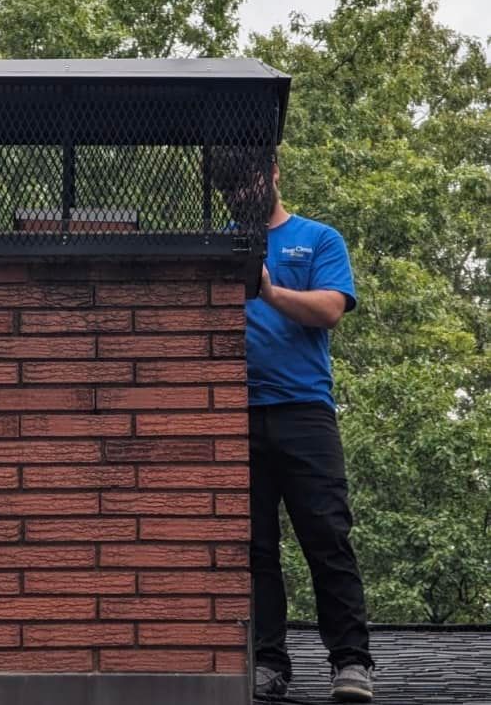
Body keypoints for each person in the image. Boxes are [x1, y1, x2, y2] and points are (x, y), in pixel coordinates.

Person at [214, 148, 375, 703]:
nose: (239, 193)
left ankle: (351, 662)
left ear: (273, 173)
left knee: (327, 537)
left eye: (247, 179)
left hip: (304, 410)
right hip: (234, 412)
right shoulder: (217, 242)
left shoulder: (318, 239)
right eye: (229, 186)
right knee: (254, 547)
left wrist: (268, 290)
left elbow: (330, 309)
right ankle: (267, 662)